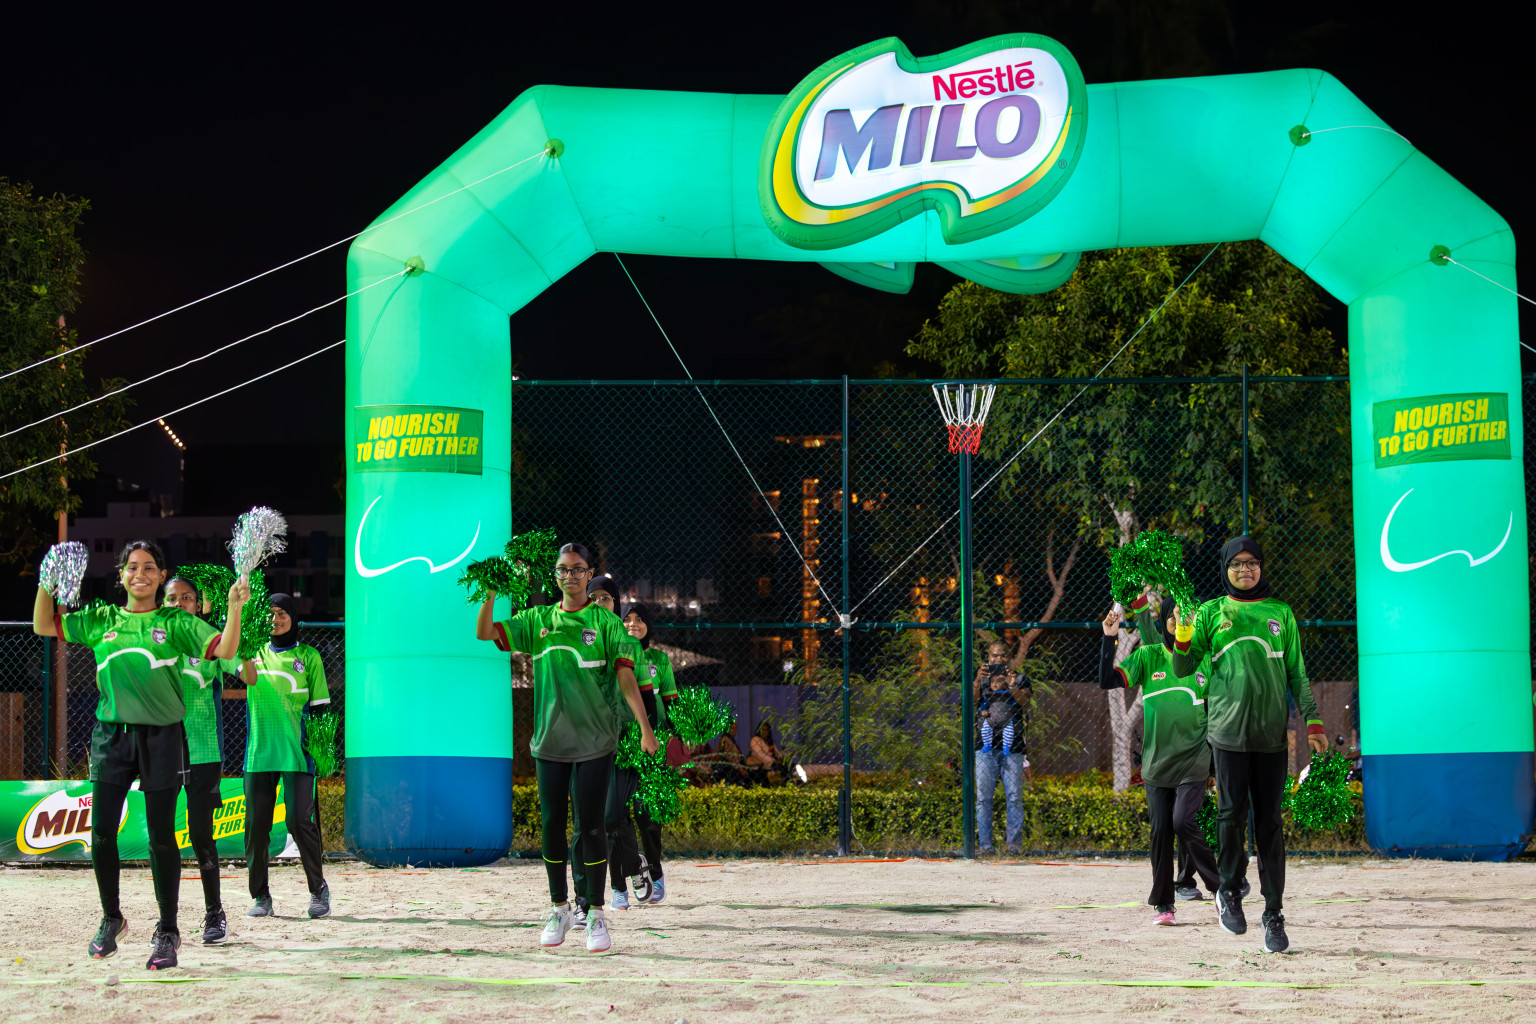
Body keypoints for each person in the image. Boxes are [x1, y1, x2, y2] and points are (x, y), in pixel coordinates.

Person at [33, 541, 248, 970]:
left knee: (161, 837)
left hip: (163, 738)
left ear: (161, 576)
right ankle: (112, 918)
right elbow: (43, 624)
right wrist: (47, 581)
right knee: (102, 835)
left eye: (150, 567)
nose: (141, 574)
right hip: (112, 737)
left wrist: (233, 607)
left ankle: (167, 930)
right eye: (133, 567)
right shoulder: (101, 620)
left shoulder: (175, 622)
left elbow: (225, 650)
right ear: (121, 575)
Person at [475, 542, 659, 953]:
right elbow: (484, 632)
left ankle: (595, 912)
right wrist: (489, 592)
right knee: (552, 824)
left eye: (578, 570)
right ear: (554, 575)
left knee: (592, 826)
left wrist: (646, 729)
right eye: (563, 569)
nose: (570, 576)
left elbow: (627, 680)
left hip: (595, 741)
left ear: (588, 574)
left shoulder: (607, 623)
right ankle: (559, 907)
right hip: (550, 742)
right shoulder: (538, 618)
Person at [1171, 536, 1327, 953]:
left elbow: (1297, 673)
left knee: (1270, 826)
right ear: (1225, 568)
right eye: (1237, 564)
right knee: (1230, 817)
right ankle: (1228, 892)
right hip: (1226, 734)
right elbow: (1183, 667)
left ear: (1261, 567)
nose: (1245, 570)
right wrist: (1183, 632)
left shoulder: (1281, 614)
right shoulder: (1210, 613)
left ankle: (1273, 914)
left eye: (1253, 563)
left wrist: (1312, 721)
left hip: (1271, 738)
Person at [1100, 593, 1220, 925]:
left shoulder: (1203, 660)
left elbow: (1219, 708)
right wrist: (1109, 639)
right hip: (1156, 763)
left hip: (1194, 759)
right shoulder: (1150, 655)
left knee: (1183, 820)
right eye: (1173, 615)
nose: (1179, 620)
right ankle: (1165, 904)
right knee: (1160, 832)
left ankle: (1220, 887)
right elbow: (1108, 680)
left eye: (1186, 616)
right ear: (1165, 618)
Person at [238, 593, 331, 921]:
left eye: (281, 613)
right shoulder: (252, 653)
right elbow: (234, 661)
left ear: (293, 616)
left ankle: (318, 890)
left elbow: (322, 710)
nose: (275, 618)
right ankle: (261, 896)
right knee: (256, 826)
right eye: (269, 613)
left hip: (299, 755)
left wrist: (323, 753)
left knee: (297, 821)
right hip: (259, 755)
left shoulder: (309, 657)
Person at [165, 576, 241, 945]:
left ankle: (215, 913)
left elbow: (238, 663)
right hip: (160, 752)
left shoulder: (210, 641)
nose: (179, 604)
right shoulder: (150, 642)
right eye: (172, 598)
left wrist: (245, 665)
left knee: (200, 836)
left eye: (187, 598)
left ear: (198, 604)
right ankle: (167, 925)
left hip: (203, 753)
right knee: (161, 839)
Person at [620, 602, 678, 905]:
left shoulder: (660, 660)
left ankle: (655, 871)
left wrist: (677, 738)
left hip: (652, 746)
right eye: (627, 619)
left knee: (647, 813)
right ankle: (631, 868)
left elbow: (671, 704)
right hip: (619, 745)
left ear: (649, 625)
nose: (633, 624)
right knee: (616, 815)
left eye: (639, 619)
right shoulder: (613, 657)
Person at [972, 640, 1031, 854]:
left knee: (1014, 797)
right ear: (988, 658)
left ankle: (1014, 847)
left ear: (1009, 658)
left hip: (1012, 747)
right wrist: (978, 680)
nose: (998, 660)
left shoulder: (1021, 679)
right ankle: (985, 846)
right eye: (994, 656)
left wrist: (1011, 683)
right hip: (985, 747)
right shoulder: (982, 681)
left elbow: (1024, 703)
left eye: (1002, 656)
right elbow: (971, 701)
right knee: (983, 798)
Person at [746, 720, 786, 785]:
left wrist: (785, 755)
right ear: (759, 730)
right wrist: (772, 761)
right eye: (762, 730)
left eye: (766, 730)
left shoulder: (770, 742)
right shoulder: (755, 739)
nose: (764, 732)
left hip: (772, 769)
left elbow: (777, 753)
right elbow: (760, 754)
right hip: (759, 770)